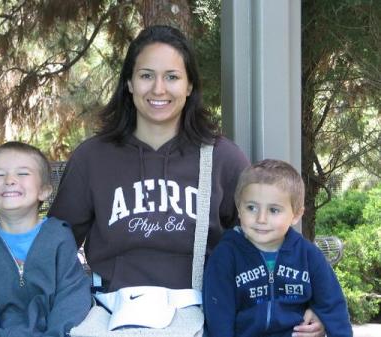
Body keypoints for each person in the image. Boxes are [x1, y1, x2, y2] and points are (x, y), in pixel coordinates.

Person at [48, 25, 325, 336]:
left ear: (190, 85)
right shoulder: (93, 158)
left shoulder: (222, 158)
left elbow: (273, 239)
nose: (158, 89)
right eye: (146, 75)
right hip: (112, 313)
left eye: (172, 77)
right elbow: (54, 247)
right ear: (128, 82)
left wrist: (314, 301)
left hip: (204, 314)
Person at [0, 141, 91, 337]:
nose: (9, 179)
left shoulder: (59, 237)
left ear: (44, 190)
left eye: (23, 173)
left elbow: (72, 297)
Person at [203, 159, 352, 337]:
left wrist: (324, 323)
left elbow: (332, 304)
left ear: (296, 215)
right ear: (239, 208)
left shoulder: (308, 255)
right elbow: (218, 314)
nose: (261, 219)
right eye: (251, 208)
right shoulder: (226, 255)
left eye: (274, 210)